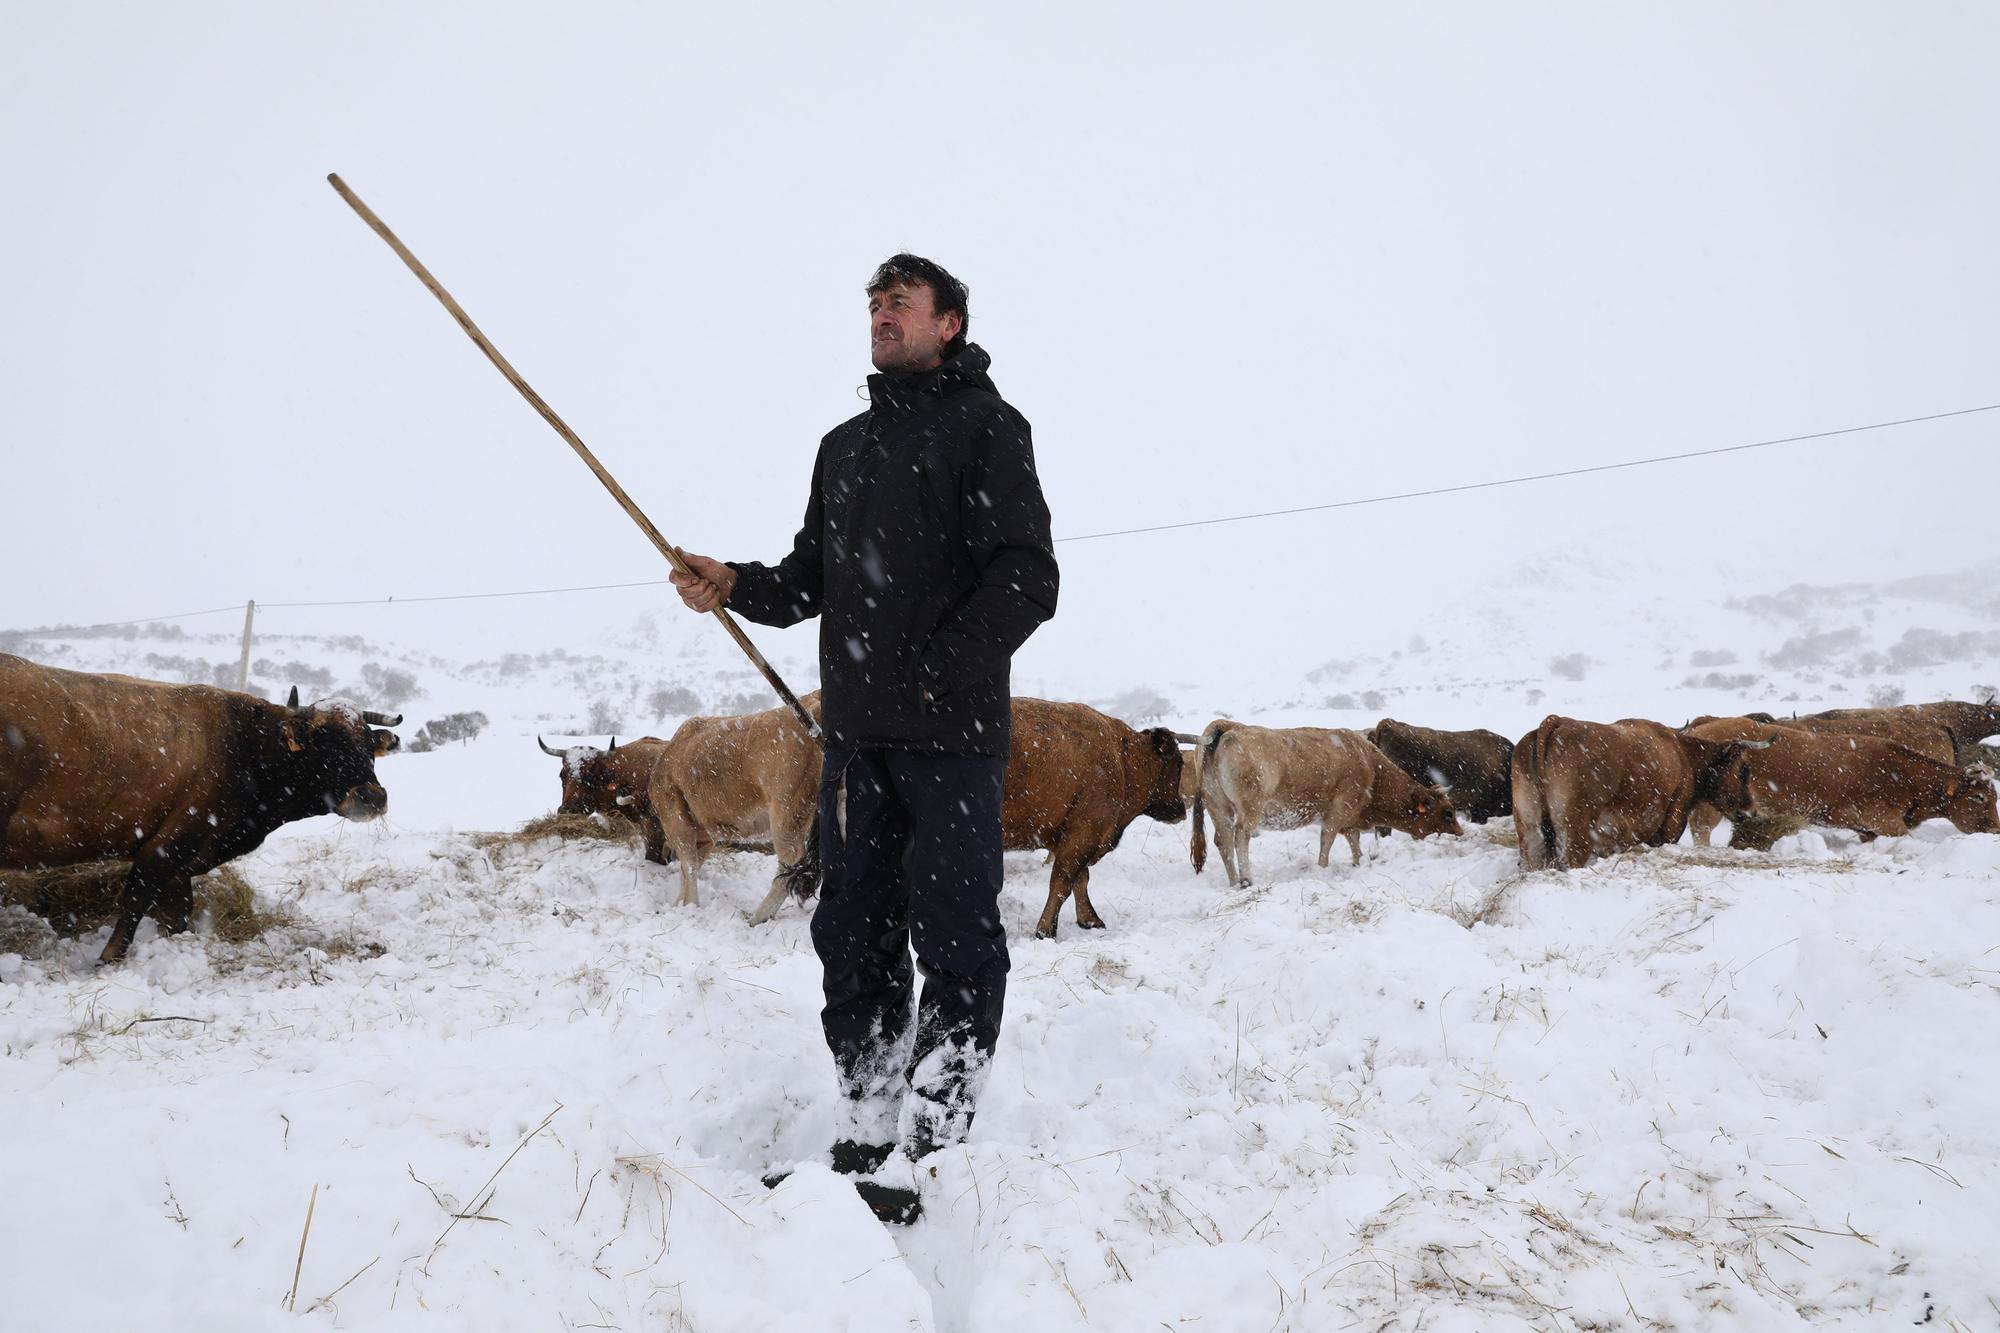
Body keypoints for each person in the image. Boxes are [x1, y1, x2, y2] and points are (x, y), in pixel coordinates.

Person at [670, 254, 1059, 1200]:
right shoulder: (843, 448)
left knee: (958, 933)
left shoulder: (990, 431)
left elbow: (1028, 578)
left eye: (902, 302)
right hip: (854, 746)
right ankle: (866, 1115)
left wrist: (937, 671)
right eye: (874, 303)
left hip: (953, 743)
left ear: (950, 324)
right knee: (853, 931)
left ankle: (934, 1136)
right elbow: (811, 578)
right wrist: (737, 584)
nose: (883, 315)